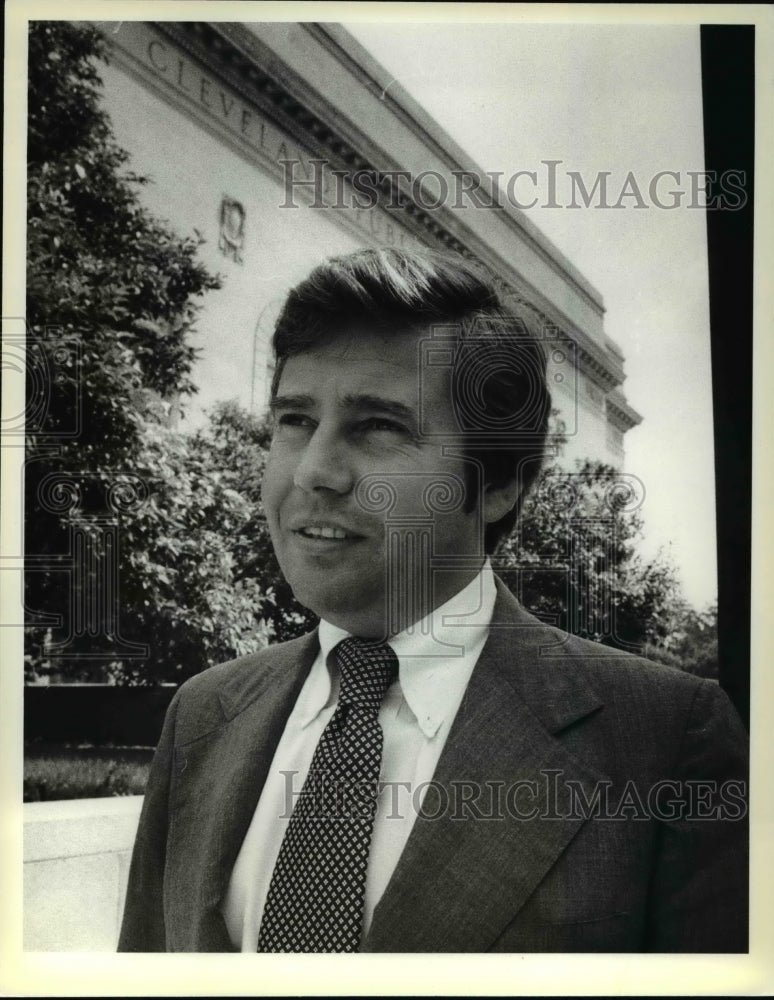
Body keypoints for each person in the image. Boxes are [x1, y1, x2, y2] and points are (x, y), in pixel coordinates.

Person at [118, 248, 748, 953]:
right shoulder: (204, 713)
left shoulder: (665, 740)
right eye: (295, 420)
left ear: (500, 483)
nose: (315, 471)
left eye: (379, 427)